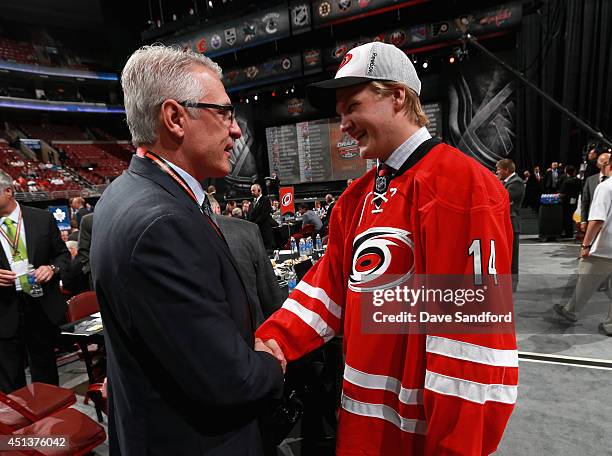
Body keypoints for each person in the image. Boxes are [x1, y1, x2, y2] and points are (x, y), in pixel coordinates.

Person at [256, 42, 518, 455]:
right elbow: (328, 289)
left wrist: (458, 449)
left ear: (398, 96)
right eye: (339, 112)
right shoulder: (354, 199)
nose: (343, 124)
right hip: (362, 433)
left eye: (352, 105)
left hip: (419, 441)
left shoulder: (461, 186)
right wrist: (271, 343)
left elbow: (471, 346)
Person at [90, 45, 284, 455]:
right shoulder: (163, 223)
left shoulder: (124, 194)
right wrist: (271, 361)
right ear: (175, 117)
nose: (236, 131)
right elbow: (231, 379)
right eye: (225, 113)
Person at [0, 173, 70, 393]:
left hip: (40, 306)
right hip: (4, 312)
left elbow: (63, 257)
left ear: (8, 191)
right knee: (10, 381)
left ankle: (51, 426)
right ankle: (19, 427)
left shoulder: (42, 218)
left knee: (46, 376)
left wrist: (52, 268)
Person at [554, 154, 612, 335]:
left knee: (585, 279)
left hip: (604, 247)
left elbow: (597, 220)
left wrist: (586, 245)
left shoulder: (605, 187)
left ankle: (571, 311)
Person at [496, 159, 525, 292]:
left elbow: (502, 200)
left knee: (512, 258)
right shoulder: (508, 182)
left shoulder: (516, 183)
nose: (497, 172)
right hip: (505, 223)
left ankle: (512, 285)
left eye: (498, 169)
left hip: (512, 224)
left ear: (506, 170)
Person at [580, 153, 610, 233]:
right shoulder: (590, 180)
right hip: (592, 221)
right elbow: (585, 202)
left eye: (608, 162)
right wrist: (583, 221)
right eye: (604, 162)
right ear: (598, 164)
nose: (607, 164)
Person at [248, 183, 275, 251]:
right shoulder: (252, 203)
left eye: (254, 190)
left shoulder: (265, 200)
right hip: (255, 231)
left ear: (259, 190)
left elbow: (264, 215)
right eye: (251, 191)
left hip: (264, 230)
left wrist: (254, 223)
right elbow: (250, 215)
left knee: (267, 250)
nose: (252, 192)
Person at [558, 165, 582, 238]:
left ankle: (568, 233)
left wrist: (559, 195)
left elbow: (562, 194)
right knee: (572, 217)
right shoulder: (578, 180)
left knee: (566, 217)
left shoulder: (566, 181)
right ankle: (570, 232)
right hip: (575, 200)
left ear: (566, 171)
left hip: (566, 201)